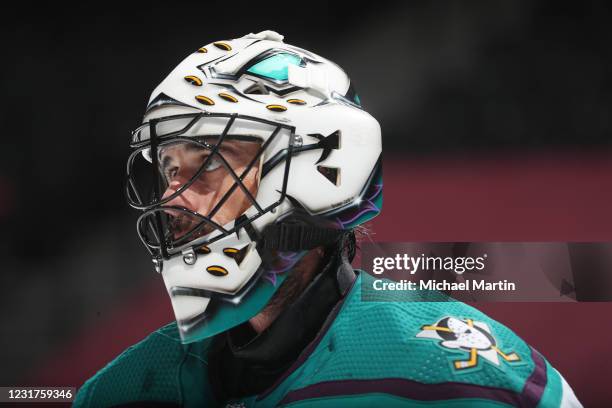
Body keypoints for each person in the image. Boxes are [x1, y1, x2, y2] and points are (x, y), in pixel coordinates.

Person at [75, 31, 581, 407]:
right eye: (168, 170)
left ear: (321, 173)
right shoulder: (119, 391)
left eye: (207, 162)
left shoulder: (459, 379)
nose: (172, 198)